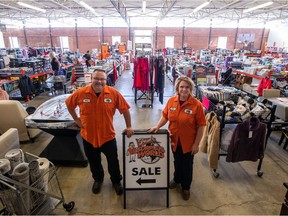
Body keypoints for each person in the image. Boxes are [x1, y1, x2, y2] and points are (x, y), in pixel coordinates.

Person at [65, 69, 134, 196]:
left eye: (102, 79)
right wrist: (76, 119)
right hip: (88, 136)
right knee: (94, 160)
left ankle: (116, 181)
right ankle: (98, 179)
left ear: (106, 80)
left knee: (113, 161)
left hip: (107, 136)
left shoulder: (113, 93)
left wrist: (129, 126)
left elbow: (125, 110)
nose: (99, 82)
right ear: (91, 78)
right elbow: (69, 104)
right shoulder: (80, 93)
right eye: (96, 78)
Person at [148, 76, 206, 201]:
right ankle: (177, 179)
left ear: (191, 89)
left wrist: (197, 144)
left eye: (187, 87)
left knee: (187, 165)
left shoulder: (197, 105)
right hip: (174, 140)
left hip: (189, 142)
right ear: (177, 88)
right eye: (181, 87)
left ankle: (186, 187)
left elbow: (201, 126)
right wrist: (157, 126)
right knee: (177, 161)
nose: (184, 89)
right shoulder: (171, 101)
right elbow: (165, 116)